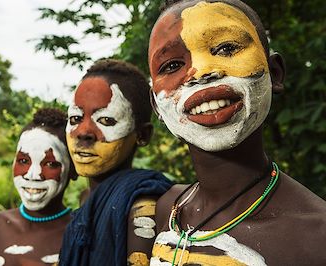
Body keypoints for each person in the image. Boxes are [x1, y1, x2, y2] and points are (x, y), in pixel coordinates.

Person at [148, 0, 326, 265]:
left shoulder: (315, 237)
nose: (200, 73)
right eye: (172, 65)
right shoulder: (168, 209)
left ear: (274, 73)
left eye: (226, 48)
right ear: (155, 106)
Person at [60, 59, 172, 266]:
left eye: (106, 121)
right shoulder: (87, 199)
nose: (83, 133)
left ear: (142, 135)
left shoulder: (142, 206)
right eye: (75, 118)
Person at [0, 108, 75, 266]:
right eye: (24, 161)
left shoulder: (80, 232)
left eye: (50, 163)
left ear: (73, 170)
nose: (33, 174)